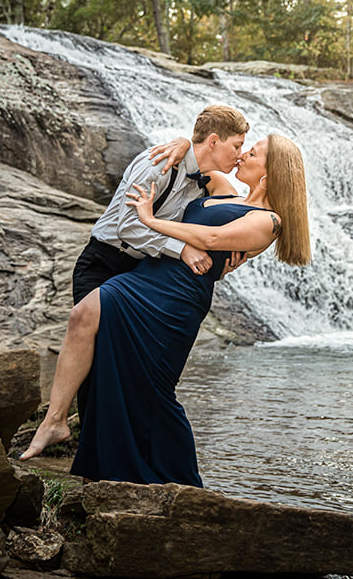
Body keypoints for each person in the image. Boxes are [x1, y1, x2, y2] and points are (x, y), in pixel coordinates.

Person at [21, 135, 311, 488]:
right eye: (243, 147)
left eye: (253, 153)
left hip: (177, 300)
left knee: (153, 389)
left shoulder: (269, 221)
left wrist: (150, 219)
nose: (243, 154)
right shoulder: (221, 186)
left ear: (270, 174)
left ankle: (181, 483)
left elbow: (213, 241)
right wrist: (183, 142)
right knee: (83, 318)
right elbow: (199, 158)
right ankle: (64, 430)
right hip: (145, 278)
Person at [68, 105, 249, 422]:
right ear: (215, 141)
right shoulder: (159, 163)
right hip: (104, 261)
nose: (240, 154)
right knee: (94, 354)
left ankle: (116, 449)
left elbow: (234, 213)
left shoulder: (206, 180)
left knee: (127, 360)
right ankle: (82, 447)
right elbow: (129, 227)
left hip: (143, 272)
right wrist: (180, 250)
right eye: (237, 145)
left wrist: (229, 257)